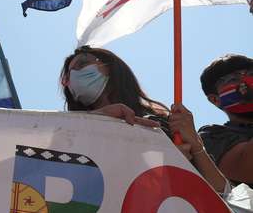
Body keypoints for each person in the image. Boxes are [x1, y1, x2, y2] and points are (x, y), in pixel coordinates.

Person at [60, 45, 227, 194]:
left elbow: (221, 193)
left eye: (82, 63)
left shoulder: (159, 125)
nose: (74, 74)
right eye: (68, 76)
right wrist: (99, 119)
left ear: (111, 67)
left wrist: (196, 147)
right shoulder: (65, 134)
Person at [198, 53, 253, 186]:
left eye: (251, 74)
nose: (246, 81)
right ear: (215, 99)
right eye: (232, 79)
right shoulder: (211, 136)